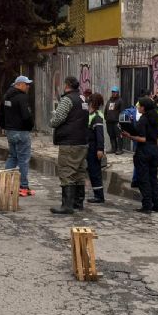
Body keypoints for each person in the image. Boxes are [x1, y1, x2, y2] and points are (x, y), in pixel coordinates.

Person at [49, 76, 88, 215]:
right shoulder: (82, 99)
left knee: (67, 171)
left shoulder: (67, 99)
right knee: (79, 172)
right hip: (82, 141)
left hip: (69, 142)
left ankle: (67, 205)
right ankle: (78, 203)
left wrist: (52, 119)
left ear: (67, 85)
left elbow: (57, 120)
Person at [122, 97, 158, 214]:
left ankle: (147, 205)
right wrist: (155, 151)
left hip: (144, 151)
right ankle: (157, 205)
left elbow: (142, 138)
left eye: (139, 106)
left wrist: (129, 136)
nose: (138, 107)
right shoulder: (156, 119)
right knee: (152, 179)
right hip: (154, 150)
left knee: (143, 179)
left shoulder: (143, 120)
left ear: (144, 108)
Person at [0, 76, 35, 197]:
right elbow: (26, 116)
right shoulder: (22, 97)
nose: (28, 86)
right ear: (19, 84)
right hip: (21, 131)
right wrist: (30, 126)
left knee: (13, 156)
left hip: (10, 131)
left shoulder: (6, 96)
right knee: (23, 159)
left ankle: (5, 184)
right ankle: (23, 186)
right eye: (26, 84)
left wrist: (5, 126)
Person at [86, 93, 107, 205]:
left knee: (95, 172)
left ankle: (99, 197)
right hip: (89, 146)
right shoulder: (90, 114)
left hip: (94, 148)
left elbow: (100, 135)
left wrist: (100, 149)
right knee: (91, 171)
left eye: (90, 101)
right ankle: (97, 195)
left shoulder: (97, 117)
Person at [104, 86, 125, 154]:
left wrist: (120, 122)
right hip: (109, 122)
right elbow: (106, 110)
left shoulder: (120, 101)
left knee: (119, 135)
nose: (113, 93)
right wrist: (106, 118)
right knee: (111, 135)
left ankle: (120, 149)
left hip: (117, 122)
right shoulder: (109, 101)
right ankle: (113, 148)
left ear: (118, 93)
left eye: (115, 92)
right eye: (112, 92)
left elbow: (122, 112)